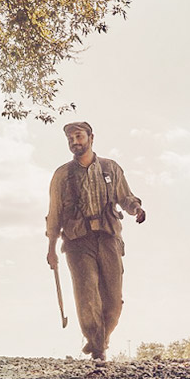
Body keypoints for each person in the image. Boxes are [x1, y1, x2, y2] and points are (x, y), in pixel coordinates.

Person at [46, 122, 145, 363]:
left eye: (79, 136)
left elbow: (125, 196)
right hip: (77, 241)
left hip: (109, 236)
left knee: (113, 300)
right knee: (87, 294)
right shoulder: (62, 175)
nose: (74, 142)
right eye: (70, 138)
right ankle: (98, 349)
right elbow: (54, 212)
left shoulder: (110, 169)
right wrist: (51, 249)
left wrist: (136, 209)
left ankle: (100, 339)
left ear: (91, 138)